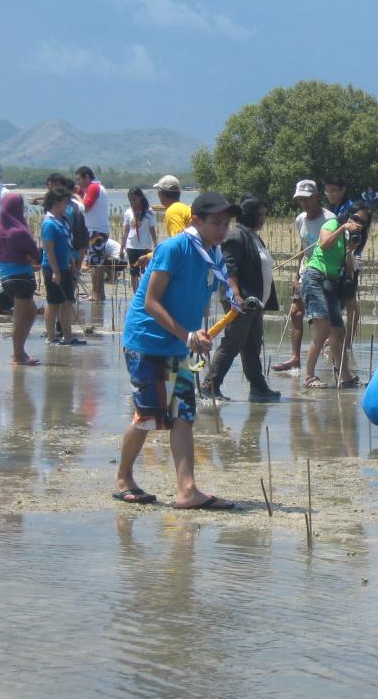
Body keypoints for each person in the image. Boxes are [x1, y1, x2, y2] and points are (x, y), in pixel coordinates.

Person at [116, 191, 241, 509]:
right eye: (216, 223)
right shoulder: (175, 247)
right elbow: (151, 302)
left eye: (226, 223)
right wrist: (188, 336)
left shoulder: (212, 254)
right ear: (195, 221)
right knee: (148, 416)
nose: (222, 230)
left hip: (178, 342)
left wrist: (210, 323)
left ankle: (187, 489)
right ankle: (123, 478)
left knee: (183, 415)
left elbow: (204, 295)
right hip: (147, 342)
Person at [200, 197, 282, 402]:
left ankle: (258, 386)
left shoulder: (253, 237)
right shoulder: (236, 236)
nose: (263, 219)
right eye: (261, 215)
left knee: (253, 343)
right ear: (250, 215)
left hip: (254, 302)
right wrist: (236, 296)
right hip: (240, 300)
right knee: (234, 342)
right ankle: (209, 384)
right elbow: (229, 268)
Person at [301, 201, 370, 389]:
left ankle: (345, 376)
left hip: (331, 283)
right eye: (355, 218)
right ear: (349, 216)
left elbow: (348, 270)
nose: (358, 223)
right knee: (323, 330)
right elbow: (323, 245)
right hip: (315, 278)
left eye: (362, 222)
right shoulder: (332, 224)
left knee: (338, 331)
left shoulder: (350, 238)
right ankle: (309, 377)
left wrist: (349, 251)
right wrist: (342, 229)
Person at [273, 180, 334, 373]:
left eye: (307, 199)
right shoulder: (300, 219)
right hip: (305, 272)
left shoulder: (329, 219)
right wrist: (296, 275)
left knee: (323, 319)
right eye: (300, 200)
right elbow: (302, 247)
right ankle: (295, 358)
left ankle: (330, 357)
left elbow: (336, 249)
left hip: (322, 273)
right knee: (296, 314)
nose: (304, 204)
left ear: (317, 197)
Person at [0, 192, 43, 366]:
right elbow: (36, 254)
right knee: (20, 316)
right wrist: (32, 257)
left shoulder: (0, 229)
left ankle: (20, 350)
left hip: (6, 276)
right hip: (21, 277)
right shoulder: (20, 230)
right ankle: (18, 355)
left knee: (31, 312)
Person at [40, 187, 85, 347]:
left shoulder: (63, 220)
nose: (66, 206)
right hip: (52, 268)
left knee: (67, 302)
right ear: (55, 203)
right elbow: (49, 250)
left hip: (66, 266)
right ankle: (51, 337)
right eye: (64, 203)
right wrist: (56, 272)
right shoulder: (49, 224)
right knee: (53, 303)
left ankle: (68, 336)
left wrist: (73, 265)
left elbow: (68, 246)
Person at [324, 175, 361, 343]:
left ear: (343, 190)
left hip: (350, 257)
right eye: (328, 191)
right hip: (333, 258)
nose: (331, 194)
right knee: (335, 301)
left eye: (334, 191)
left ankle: (348, 341)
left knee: (350, 300)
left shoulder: (351, 207)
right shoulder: (330, 207)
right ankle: (333, 339)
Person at [75, 165, 111, 302]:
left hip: (96, 230)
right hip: (95, 229)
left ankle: (98, 295)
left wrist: (77, 198)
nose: (78, 183)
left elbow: (86, 207)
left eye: (80, 179)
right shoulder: (91, 188)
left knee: (96, 264)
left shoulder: (94, 187)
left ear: (87, 177)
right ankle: (95, 293)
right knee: (94, 263)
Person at [120, 186, 158, 291]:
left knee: (146, 272)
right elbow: (126, 231)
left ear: (140, 198)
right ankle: (135, 294)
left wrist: (155, 245)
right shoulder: (128, 212)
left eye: (135, 199)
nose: (133, 202)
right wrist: (122, 248)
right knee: (133, 272)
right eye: (131, 199)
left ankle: (145, 293)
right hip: (131, 246)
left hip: (145, 246)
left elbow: (152, 230)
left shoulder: (149, 212)